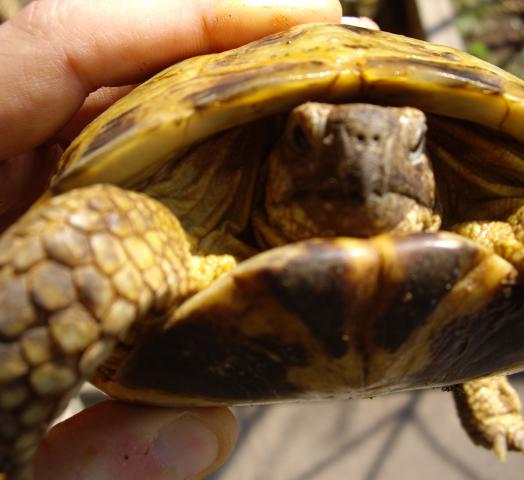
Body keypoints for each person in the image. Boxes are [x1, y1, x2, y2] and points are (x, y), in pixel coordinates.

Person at [0, 0, 341, 478]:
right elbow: (70, 260)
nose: (361, 154)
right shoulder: (153, 220)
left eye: (413, 143)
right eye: (306, 141)